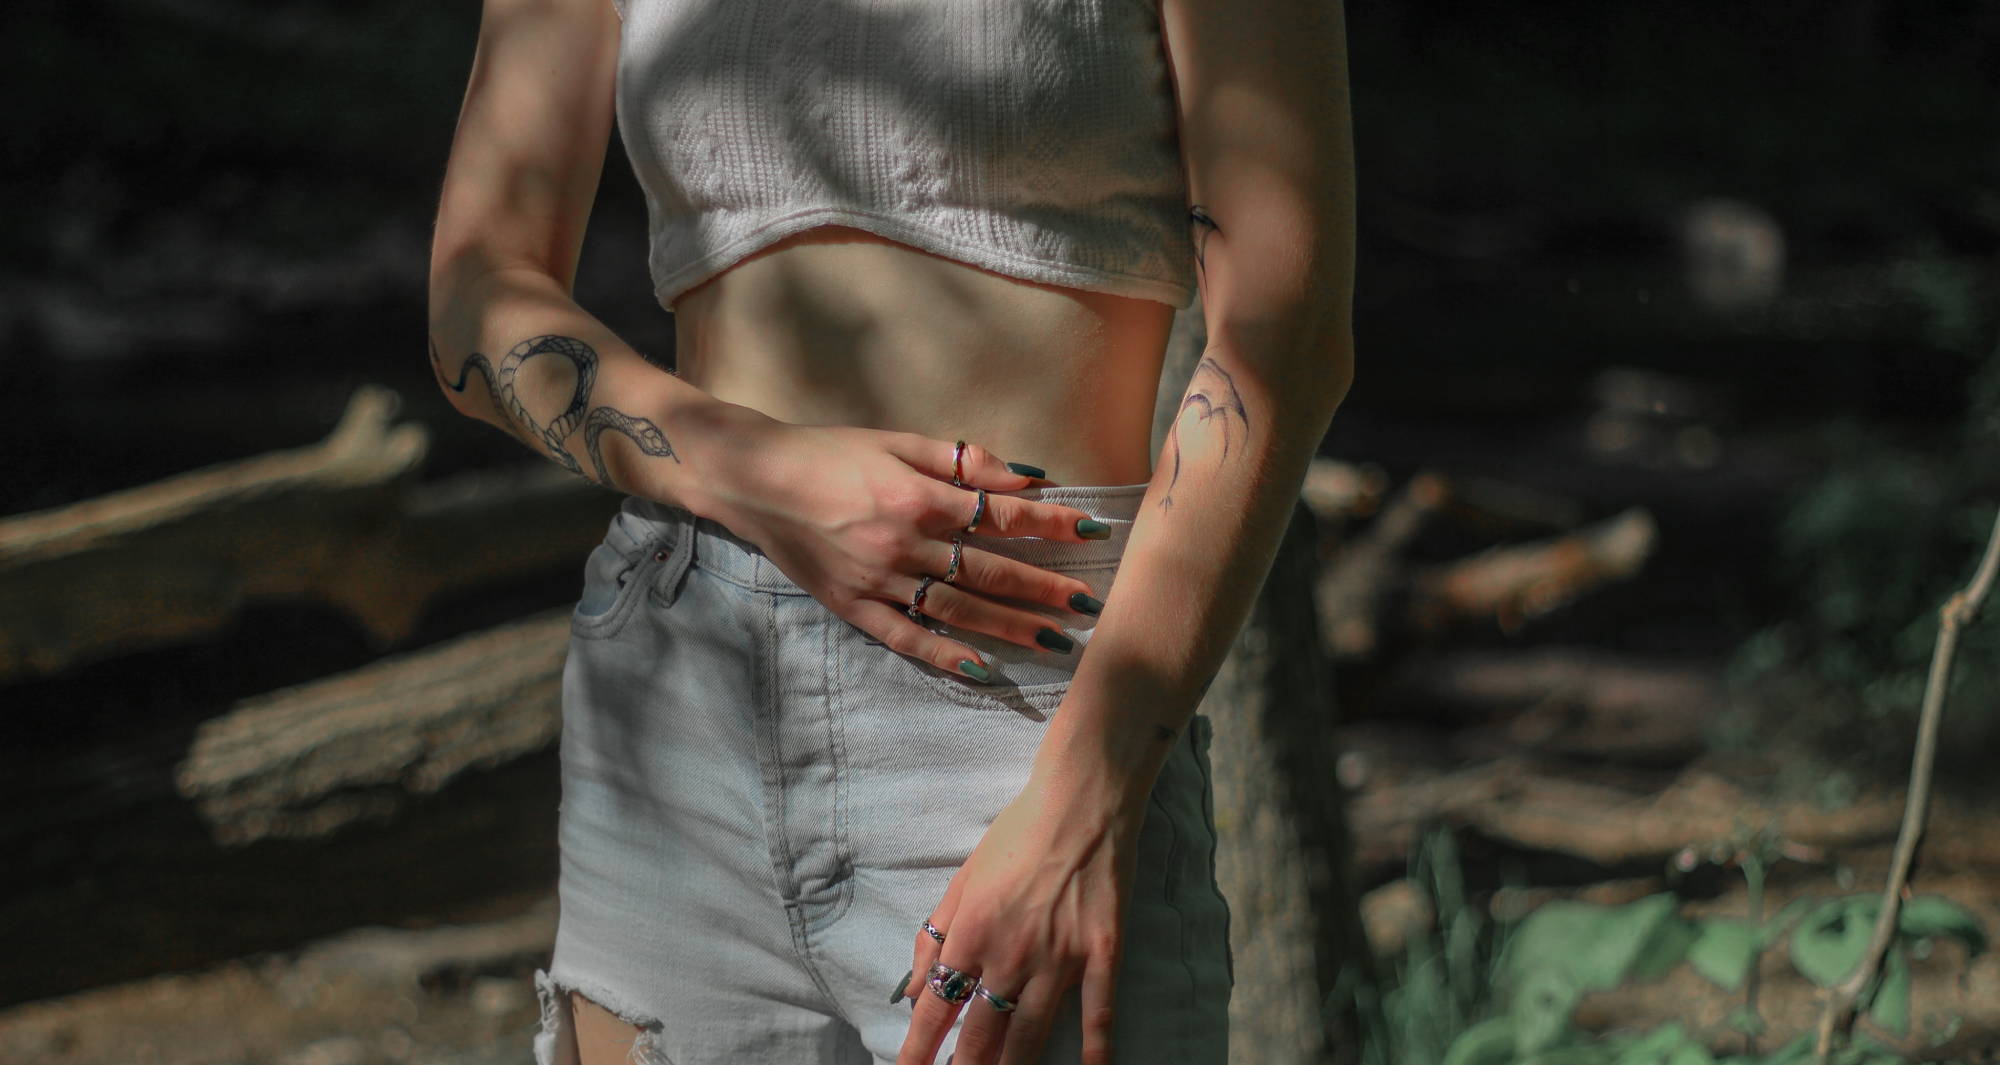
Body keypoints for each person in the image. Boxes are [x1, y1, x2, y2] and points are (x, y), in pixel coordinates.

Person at [425, 0, 1354, 1060]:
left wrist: (1085, 792)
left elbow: (1287, 335)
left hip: (1026, 691)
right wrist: (758, 471)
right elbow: (474, 293)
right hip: (682, 676)